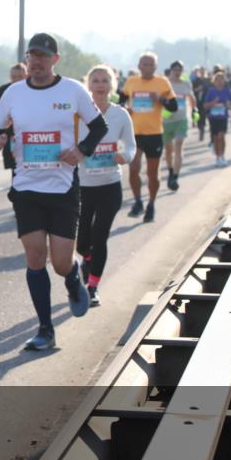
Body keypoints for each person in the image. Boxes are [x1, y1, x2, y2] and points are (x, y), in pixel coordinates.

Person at [0, 33, 106, 351]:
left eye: (43, 56)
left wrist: (80, 150)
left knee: (61, 262)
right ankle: (45, 329)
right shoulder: (13, 93)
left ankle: (73, 278)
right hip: (26, 187)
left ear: (55, 59)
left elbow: (100, 127)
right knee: (35, 257)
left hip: (63, 187)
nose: (36, 62)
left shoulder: (73, 91)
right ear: (26, 60)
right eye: (31, 56)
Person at [76, 65, 136, 307]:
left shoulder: (120, 115)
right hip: (83, 185)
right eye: (95, 81)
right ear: (88, 85)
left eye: (104, 81)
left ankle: (93, 286)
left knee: (100, 235)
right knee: (82, 243)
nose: (100, 85)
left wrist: (126, 156)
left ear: (112, 85)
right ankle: (86, 258)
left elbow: (131, 146)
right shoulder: (78, 116)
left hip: (110, 184)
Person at [117, 51, 179, 223]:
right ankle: (138, 201)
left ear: (156, 67)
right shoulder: (131, 82)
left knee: (152, 174)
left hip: (154, 133)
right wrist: (125, 109)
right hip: (134, 133)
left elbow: (173, 106)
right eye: (144, 64)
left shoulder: (162, 82)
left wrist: (159, 98)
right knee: (134, 168)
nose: (147, 67)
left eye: (151, 64)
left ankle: (151, 203)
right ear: (139, 66)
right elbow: (120, 101)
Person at [163, 60, 195, 191]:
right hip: (166, 120)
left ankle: (175, 177)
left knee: (179, 146)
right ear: (171, 70)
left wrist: (194, 110)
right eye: (175, 70)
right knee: (168, 150)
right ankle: (171, 171)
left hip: (181, 120)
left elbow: (191, 98)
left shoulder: (185, 84)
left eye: (179, 70)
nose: (177, 72)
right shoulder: (165, 83)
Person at [0, 62, 27, 172]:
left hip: (29, 136)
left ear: (26, 75)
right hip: (10, 135)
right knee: (15, 169)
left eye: (20, 77)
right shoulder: (4, 90)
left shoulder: (32, 89)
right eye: (14, 77)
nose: (16, 80)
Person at [204, 70, 231, 167]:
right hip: (213, 118)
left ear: (224, 81)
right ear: (214, 81)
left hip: (223, 117)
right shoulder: (211, 91)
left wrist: (229, 104)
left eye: (222, 80)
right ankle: (217, 157)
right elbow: (205, 105)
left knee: (222, 136)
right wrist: (213, 103)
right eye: (218, 80)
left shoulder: (227, 91)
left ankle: (222, 156)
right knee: (216, 138)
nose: (220, 82)